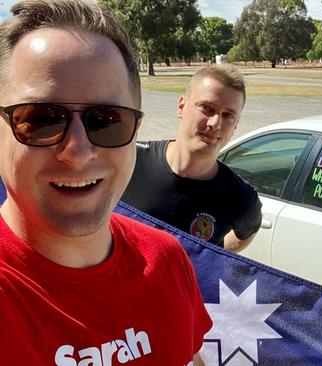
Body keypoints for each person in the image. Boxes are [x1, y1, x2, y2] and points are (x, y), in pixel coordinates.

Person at [0, 1, 211, 364]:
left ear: (135, 132)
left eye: (107, 120)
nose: (78, 151)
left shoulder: (166, 259)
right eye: (39, 119)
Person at [121, 65, 262, 252]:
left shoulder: (241, 197)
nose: (215, 123)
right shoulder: (130, 160)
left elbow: (246, 233)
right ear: (181, 106)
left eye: (228, 115)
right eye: (207, 108)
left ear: (236, 125)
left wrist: (210, 260)